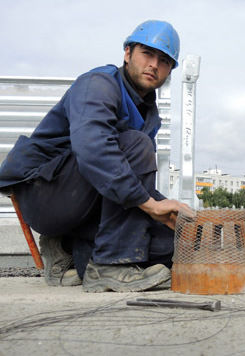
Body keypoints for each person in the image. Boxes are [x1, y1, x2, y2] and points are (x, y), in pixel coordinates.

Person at [0, 20, 192, 292]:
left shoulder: (150, 115)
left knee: (170, 244)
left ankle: (70, 249)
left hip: (93, 203)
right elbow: (94, 150)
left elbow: (136, 182)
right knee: (136, 145)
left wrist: (173, 215)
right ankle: (110, 265)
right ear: (127, 53)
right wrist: (150, 205)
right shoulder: (98, 85)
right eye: (147, 54)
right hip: (46, 195)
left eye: (164, 61)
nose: (154, 65)